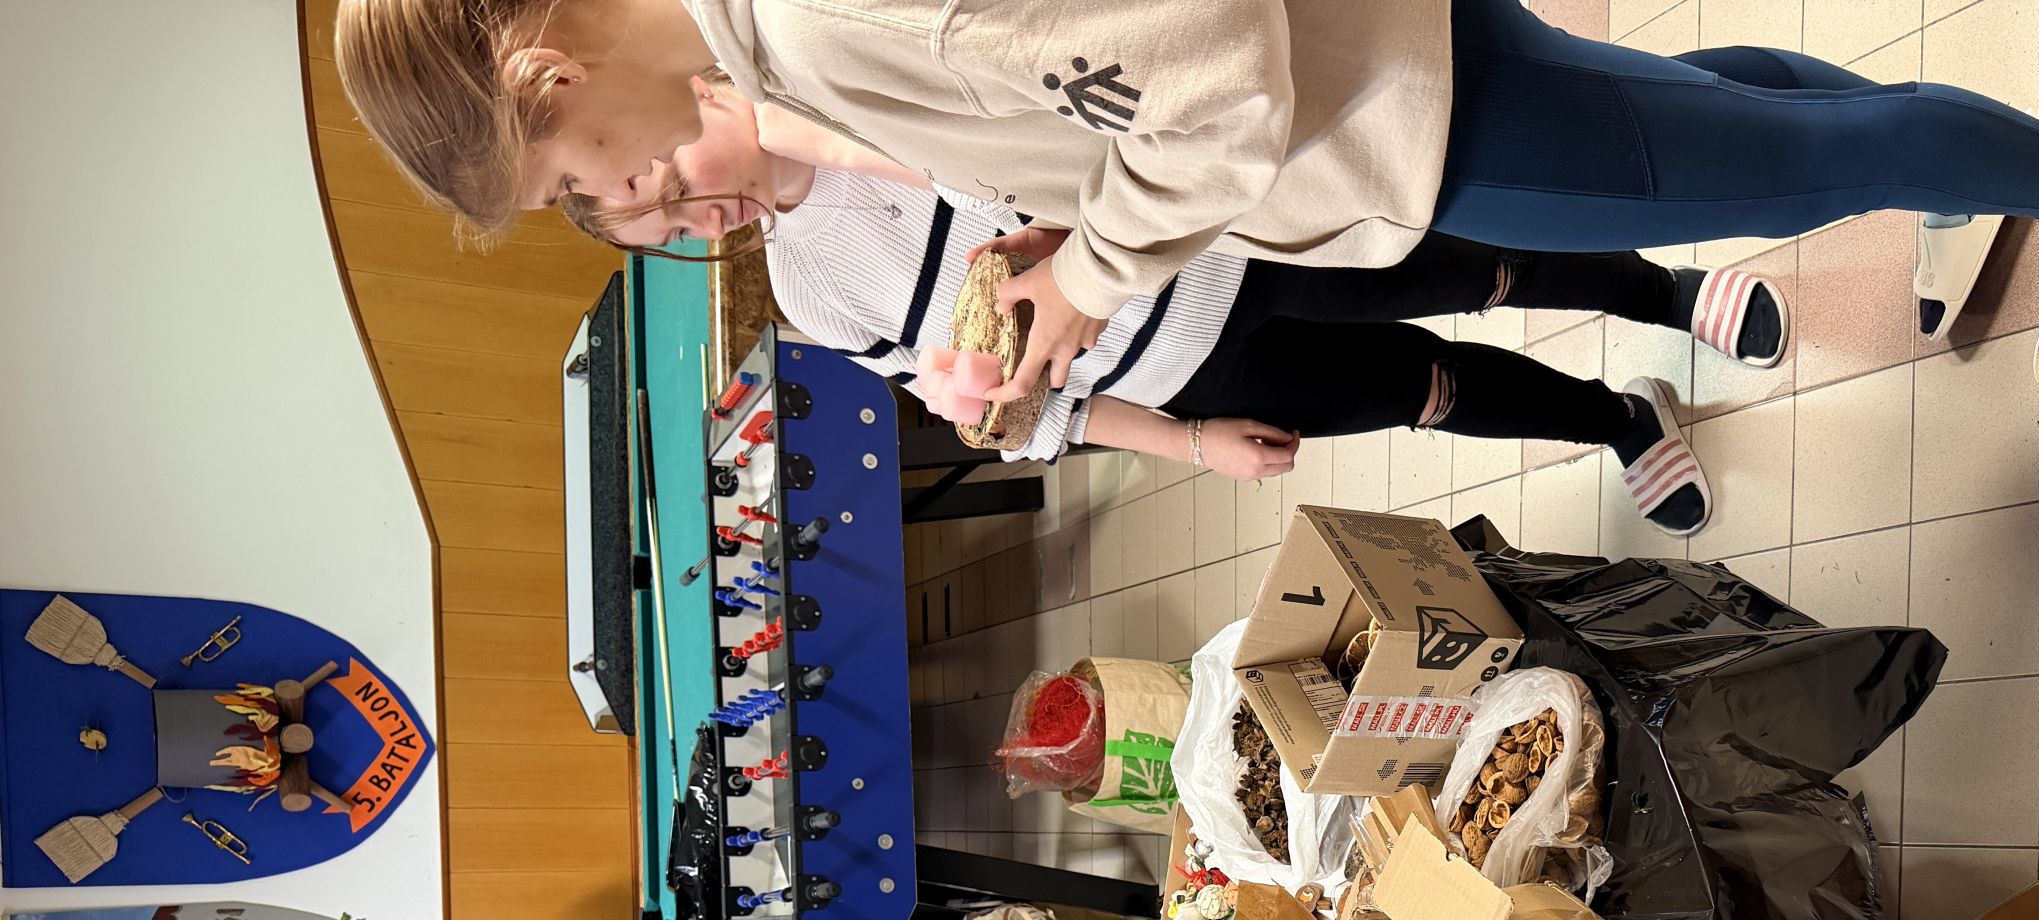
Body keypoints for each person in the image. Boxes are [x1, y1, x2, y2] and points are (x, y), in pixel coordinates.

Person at [331, 0, 2039, 441]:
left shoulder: (815, 28)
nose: (627, 197)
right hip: (1382, 65)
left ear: (542, 74)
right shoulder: (767, 30)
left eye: (574, 179)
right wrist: (1062, 237)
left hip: (1392, 111)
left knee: (1771, 172)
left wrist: (1093, 280)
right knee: (1723, 119)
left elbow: (1212, 75)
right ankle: (1962, 162)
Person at [560, 80, 1793, 531]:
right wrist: (1188, 441)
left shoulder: (841, 90)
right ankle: (1615, 421)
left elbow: (1016, 156)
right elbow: (1025, 413)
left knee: (1479, 266)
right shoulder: (810, 290)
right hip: (1186, 372)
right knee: (1424, 391)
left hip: (1225, 241)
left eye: (669, 182)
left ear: (690, 101)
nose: (699, 214)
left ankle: (1666, 292)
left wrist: (807, 133)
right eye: (673, 232)